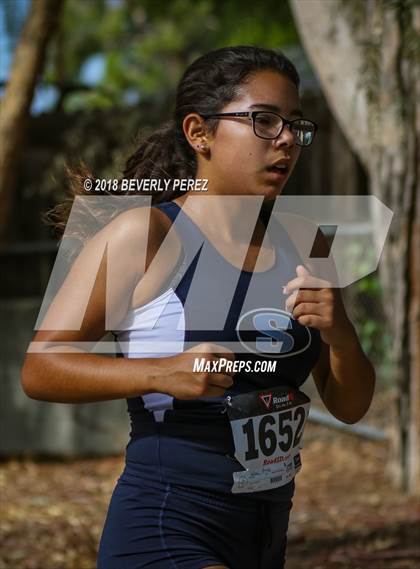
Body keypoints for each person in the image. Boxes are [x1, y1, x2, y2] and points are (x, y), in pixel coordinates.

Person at [22, 45, 376, 569]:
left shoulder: (306, 242)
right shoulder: (144, 235)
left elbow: (350, 406)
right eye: (263, 120)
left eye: (294, 125)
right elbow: (41, 367)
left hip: (266, 531)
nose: (285, 139)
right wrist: (161, 372)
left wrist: (341, 333)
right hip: (167, 522)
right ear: (199, 132)